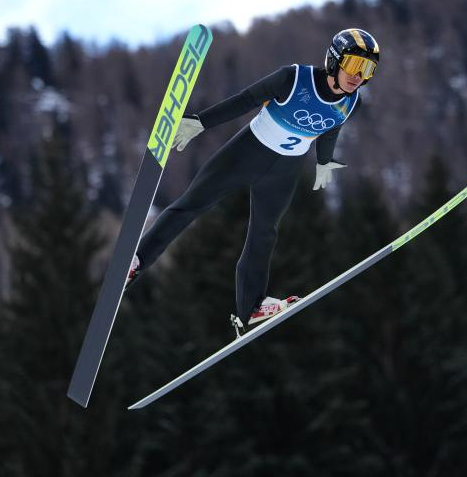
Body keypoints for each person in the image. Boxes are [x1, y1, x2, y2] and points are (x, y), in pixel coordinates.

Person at [126, 28, 379, 333]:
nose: (358, 76)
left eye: (367, 70)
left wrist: (324, 161)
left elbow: (331, 128)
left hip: (284, 171)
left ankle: (251, 307)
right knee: (191, 205)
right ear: (334, 61)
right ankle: (137, 260)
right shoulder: (293, 78)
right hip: (246, 153)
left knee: (264, 233)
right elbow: (245, 100)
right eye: (354, 65)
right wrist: (202, 122)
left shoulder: (352, 103)